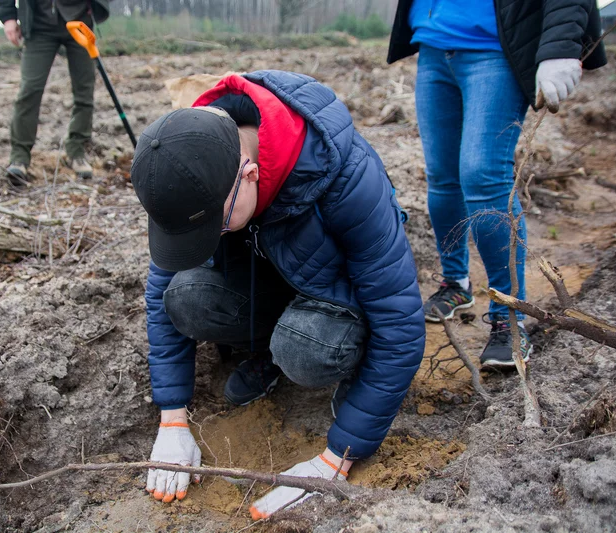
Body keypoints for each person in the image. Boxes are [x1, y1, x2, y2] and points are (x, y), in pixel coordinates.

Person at [129, 71, 426, 518]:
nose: (205, 237)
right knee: (184, 296)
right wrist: (172, 417)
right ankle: (268, 353)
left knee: (304, 349)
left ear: (250, 172)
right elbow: (158, 291)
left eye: (213, 225)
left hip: (336, 301)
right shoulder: (189, 164)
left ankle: (335, 363)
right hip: (271, 281)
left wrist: (336, 458)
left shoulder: (345, 176)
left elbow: (400, 322)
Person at [388, 0, 606, 368]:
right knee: (442, 178)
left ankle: (510, 314)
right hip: (434, 48)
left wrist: (559, 47)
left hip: (496, 50)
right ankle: (456, 283)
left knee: (482, 176)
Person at [0, 0, 111, 183]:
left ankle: (76, 151)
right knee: (29, 91)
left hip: (79, 19)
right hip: (38, 23)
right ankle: (19, 157)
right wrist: (8, 16)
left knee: (84, 92)